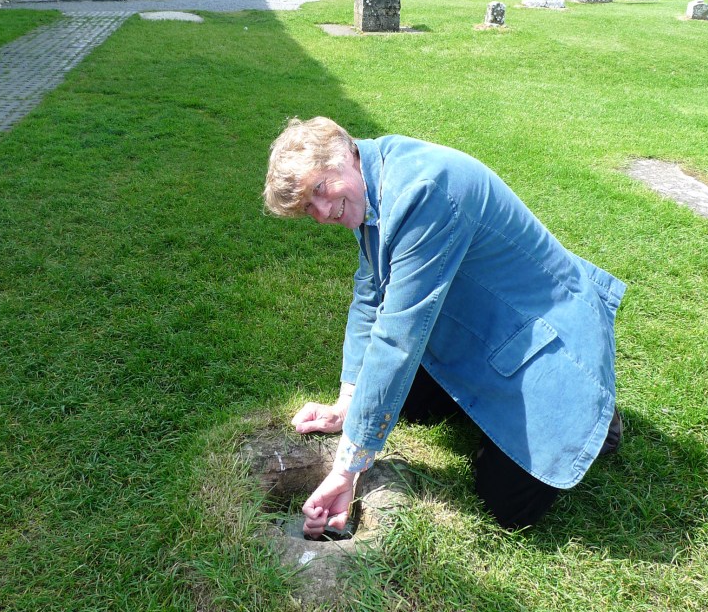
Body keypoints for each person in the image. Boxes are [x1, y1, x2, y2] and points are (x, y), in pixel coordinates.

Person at [263, 117, 626, 536]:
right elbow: (370, 297)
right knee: (409, 403)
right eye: (309, 208)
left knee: (507, 506)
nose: (323, 212)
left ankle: (596, 416)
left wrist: (348, 466)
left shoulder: (424, 189)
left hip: (546, 333)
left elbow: (399, 336)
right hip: (485, 321)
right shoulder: (370, 180)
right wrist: (347, 402)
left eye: (320, 190)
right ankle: (489, 403)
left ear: (343, 154)